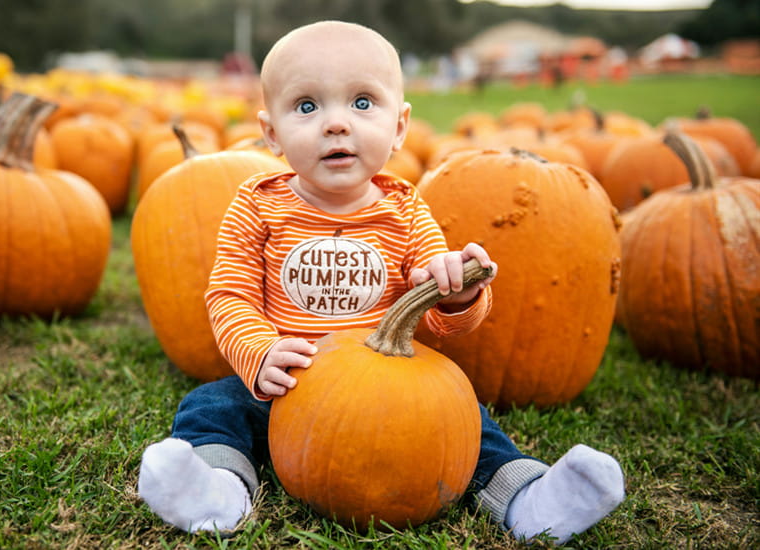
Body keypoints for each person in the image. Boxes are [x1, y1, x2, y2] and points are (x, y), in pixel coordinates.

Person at [137, 20, 625, 545]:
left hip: (391, 393)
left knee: (469, 423)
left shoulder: (408, 211)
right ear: (272, 133)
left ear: (399, 126)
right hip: (288, 383)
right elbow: (229, 294)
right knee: (212, 406)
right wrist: (259, 353)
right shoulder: (256, 205)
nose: (336, 125)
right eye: (307, 107)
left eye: (363, 103)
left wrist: (458, 292)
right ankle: (219, 490)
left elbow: (438, 314)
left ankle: (528, 498)